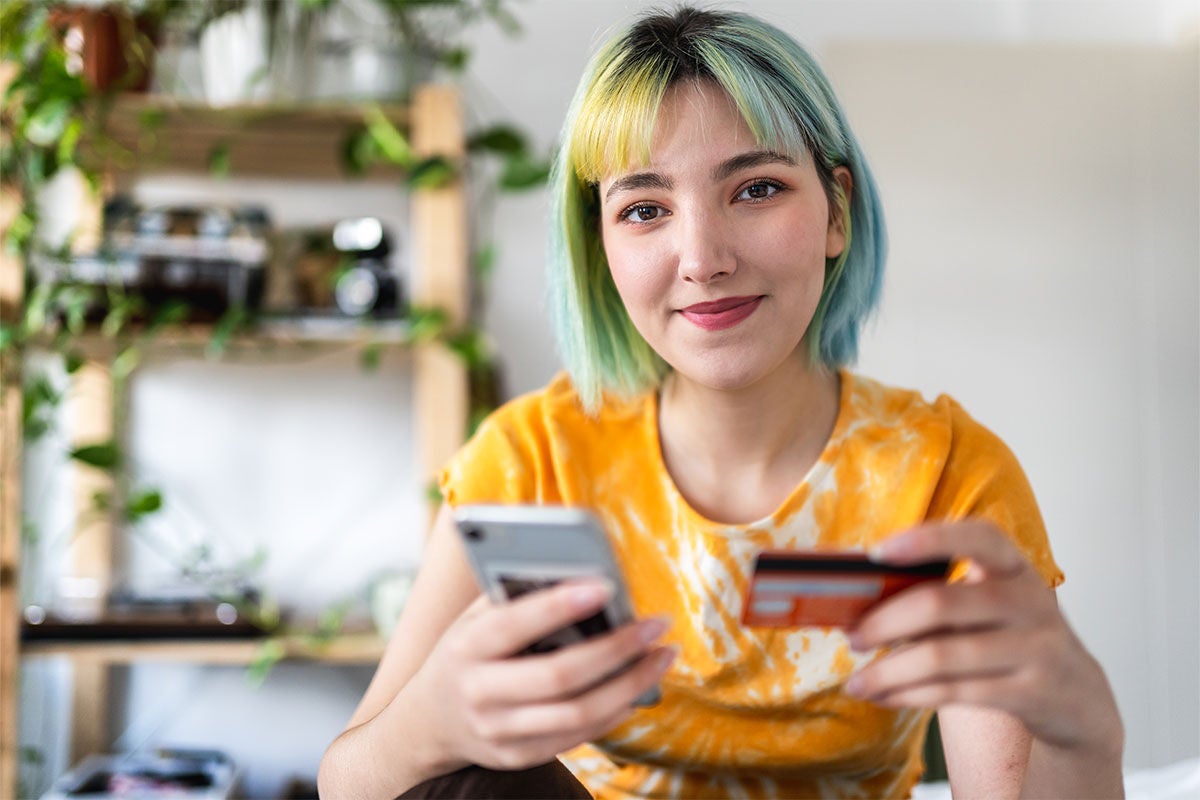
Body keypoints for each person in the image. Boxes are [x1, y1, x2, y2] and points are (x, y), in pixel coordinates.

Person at [319, 6, 1125, 799]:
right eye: (644, 209)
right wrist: (426, 723)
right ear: (600, 244)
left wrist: (1087, 728)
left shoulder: (947, 473)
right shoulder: (533, 455)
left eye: (757, 189)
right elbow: (348, 783)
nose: (702, 258)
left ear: (836, 211)